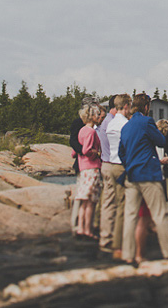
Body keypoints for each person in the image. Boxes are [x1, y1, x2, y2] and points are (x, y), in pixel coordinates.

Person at [119, 93, 168, 264]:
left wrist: (130, 164)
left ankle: (128, 255)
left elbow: (121, 153)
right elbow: (160, 141)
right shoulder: (146, 122)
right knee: (159, 214)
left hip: (131, 174)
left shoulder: (126, 127)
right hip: (147, 174)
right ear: (146, 106)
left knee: (130, 216)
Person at [134, 119, 168, 263]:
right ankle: (156, 237)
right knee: (157, 208)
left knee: (145, 213)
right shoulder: (157, 141)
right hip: (154, 176)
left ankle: (141, 251)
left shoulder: (148, 139)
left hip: (148, 175)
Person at [100, 94, 131, 259]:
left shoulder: (110, 123)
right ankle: (116, 243)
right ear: (126, 106)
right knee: (120, 205)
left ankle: (109, 238)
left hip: (110, 163)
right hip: (119, 165)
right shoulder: (124, 124)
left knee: (110, 203)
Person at [72, 103, 104, 239]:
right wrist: (96, 153)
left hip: (83, 167)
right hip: (92, 168)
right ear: (91, 116)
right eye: (97, 115)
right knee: (90, 201)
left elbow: (75, 152)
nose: (99, 117)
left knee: (84, 200)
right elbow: (86, 150)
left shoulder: (82, 131)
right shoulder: (91, 131)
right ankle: (87, 230)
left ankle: (81, 228)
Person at [69, 95, 97, 235]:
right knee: (81, 195)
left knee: (89, 197)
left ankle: (87, 225)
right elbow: (72, 141)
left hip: (91, 163)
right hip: (83, 163)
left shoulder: (94, 124)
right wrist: (84, 152)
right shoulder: (78, 123)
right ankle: (76, 225)